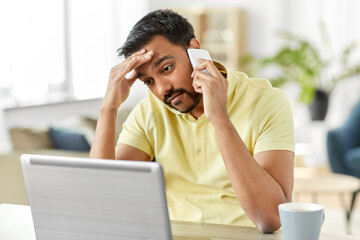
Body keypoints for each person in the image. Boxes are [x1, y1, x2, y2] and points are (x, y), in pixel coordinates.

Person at [90, 9, 294, 233]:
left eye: (166, 69)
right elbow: (101, 199)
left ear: (194, 50)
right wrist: (108, 109)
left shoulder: (265, 102)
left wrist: (218, 115)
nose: (162, 89)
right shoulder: (149, 110)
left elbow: (270, 218)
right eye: (148, 81)